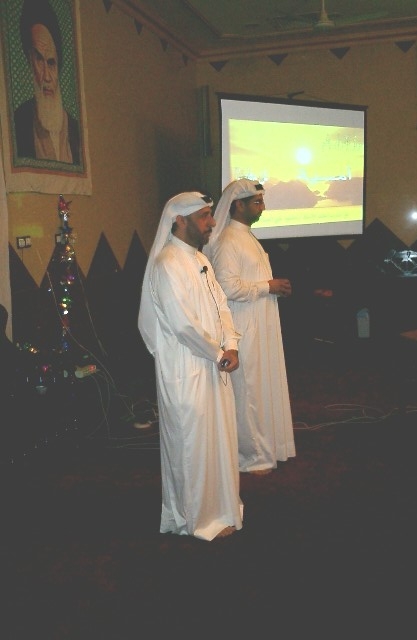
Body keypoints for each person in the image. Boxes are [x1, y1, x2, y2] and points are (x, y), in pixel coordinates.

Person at [138, 191, 243, 541]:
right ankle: (193, 520)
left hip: (213, 363)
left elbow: (221, 305)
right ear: (180, 221)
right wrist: (218, 352)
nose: (212, 222)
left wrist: (231, 344)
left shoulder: (200, 259)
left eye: (210, 214)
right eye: (204, 216)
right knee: (191, 447)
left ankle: (220, 510)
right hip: (185, 370)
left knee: (217, 443)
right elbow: (183, 325)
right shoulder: (167, 263)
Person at [204, 178, 296, 475]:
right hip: (244, 326)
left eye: (262, 201)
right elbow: (227, 287)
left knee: (261, 388)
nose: (262, 207)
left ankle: (267, 448)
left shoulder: (247, 237)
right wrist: (267, 286)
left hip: (260, 324)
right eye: (257, 202)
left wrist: (271, 288)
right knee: (249, 391)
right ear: (238, 205)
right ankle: (251, 455)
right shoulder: (228, 240)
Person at [14, 0, 80, 163]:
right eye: (39, 60)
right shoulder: (19, 121)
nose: (47, 77)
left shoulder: (75, 129)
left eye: (51, 63)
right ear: (30, 61)